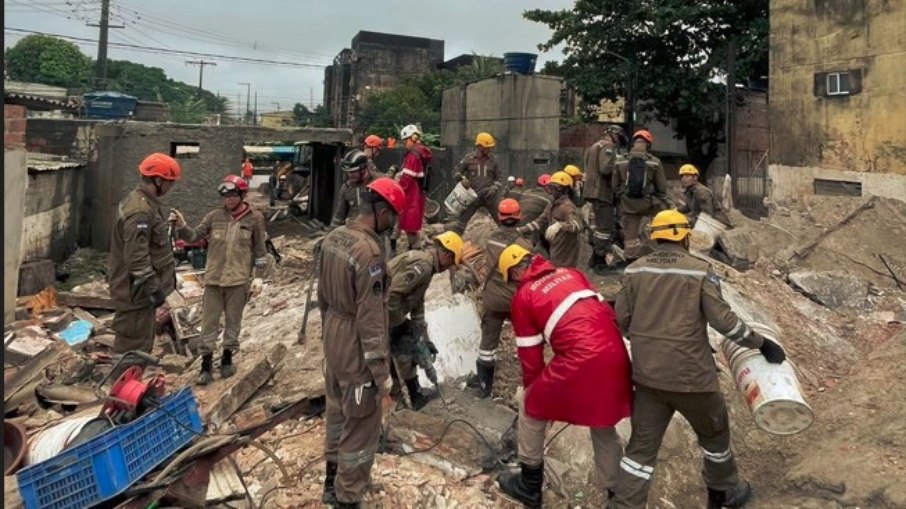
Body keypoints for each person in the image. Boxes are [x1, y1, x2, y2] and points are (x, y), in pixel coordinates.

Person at [608, 210, 787, 509]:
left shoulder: (634, 270)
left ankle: (624, 504)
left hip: (648, 378)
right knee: (715, 438)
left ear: (656, 236)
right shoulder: (698, 270)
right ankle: (724, 493)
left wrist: (647, 343)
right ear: (684, 236)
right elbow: (724, 322)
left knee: (640, 450)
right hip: (693, 380)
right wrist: (761, 344)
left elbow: (622, 319)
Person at [497, 245, 633, 509]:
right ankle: (617, 495)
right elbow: (604, 311)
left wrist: (536, 397)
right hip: (614, 351)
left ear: (515, 272)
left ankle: (529, 485)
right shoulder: (572, 273)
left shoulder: (524, 296)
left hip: (581, 357)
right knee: (602, 420)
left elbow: (531, 358)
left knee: (530, 407)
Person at [318, 177, 405, 509]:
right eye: (392, 216)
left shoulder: (333, 238)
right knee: (362, 422)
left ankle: (331, 481)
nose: (393, 224)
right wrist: (380, 371)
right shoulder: (369, 253)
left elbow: (322, 295)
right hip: (355, 342)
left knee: (337, 410)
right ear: (381, 212)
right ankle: (348, 497)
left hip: (333, 334)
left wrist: (328, 335)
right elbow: (371, 318)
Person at [168, 175, 267, 385]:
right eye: (225, 197)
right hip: (213, 280)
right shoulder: (214, 216)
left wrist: (259, 278)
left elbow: (260, 250)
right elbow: (193, 237)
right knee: (208, 324)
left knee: (233, 323)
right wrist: (182, 225)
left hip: (238, 281)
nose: (228, 200)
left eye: (232, 196)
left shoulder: (254, 219)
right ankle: (205, 365)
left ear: (241, 195)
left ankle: (227, 360)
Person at [108, 153, 181, 360]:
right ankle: (122, 391)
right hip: (135, 295)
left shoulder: (144, 203)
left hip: (138, 295)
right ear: (158, 180)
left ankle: (130, 387)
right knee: (132, 351)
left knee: (139, 348)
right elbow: (137, 259)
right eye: (169, 183)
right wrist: (154, 290)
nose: (170, 187)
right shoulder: (139, 211)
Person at [387, 231, 463, 410]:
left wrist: (425, 338)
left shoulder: (427, 265)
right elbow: (392, 296)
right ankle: (408, 396)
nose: (449, 267)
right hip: (380, 312)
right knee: (404, 348)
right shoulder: (424, 266)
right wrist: (400, 324)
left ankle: (407, 393)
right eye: (451, 262)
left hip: (388, 313)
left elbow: (416, 303)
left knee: (408, 344)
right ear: (445, 255)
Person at [466, 199, 532, 398]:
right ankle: (531, 382)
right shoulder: (524, 244)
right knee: (526, 339)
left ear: (500, 217)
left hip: (493, 298)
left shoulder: (491, 238)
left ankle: (484, 386)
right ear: (519, 216)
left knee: (488, 341)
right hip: (516, 300)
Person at [612, 129, 670, 264]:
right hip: (647, 203)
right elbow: (661, 186)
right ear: (648, 144)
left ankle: (631, 261)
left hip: (627, 203)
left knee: (630, 234)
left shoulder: (620, 161)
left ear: (634, 143)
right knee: (653, 228)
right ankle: (654, 257)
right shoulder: (654, 162)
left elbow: (614, 184)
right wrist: (661, 198)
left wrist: (621, 194)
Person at [517, 171, 583, 268]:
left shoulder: (567, 206)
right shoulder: (552, 204)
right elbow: (540, 222)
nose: (553, 190)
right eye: (552, 187)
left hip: (566, 251)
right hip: (556, 247)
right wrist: (520, 230)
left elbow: (578, 225)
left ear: (566, 190)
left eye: (557, 187)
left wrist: (560, 225)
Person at [584, 125, 624, 273]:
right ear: (614, 135)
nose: (619, 141)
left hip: (593, 193)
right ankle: (600, 263)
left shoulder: (594, 146)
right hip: (603, 193)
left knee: (598, 227)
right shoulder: (608, 147)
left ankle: (594, 259)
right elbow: (606, 168)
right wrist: (619, 163)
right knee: (604, 229)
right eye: (619, 137)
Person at [449, 132, 501, 235]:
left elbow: (499, 178)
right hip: (473, 196)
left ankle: (506, 243)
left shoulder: (493, 161)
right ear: (479, 146)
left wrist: (494, 188)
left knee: (501, 222)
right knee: (461, 223)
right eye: (487, 147)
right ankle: (454, 241)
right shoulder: (468, 159)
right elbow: (455, 172)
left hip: (489, 197)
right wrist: (462, 178)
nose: (489, 149)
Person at [398, 124, 431, 251]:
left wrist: (397, 191)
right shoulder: (422, 153)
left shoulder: (413, 156)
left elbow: (406, 179)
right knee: (412, 225)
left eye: (405, 141)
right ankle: (415, 246)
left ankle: (415, 248)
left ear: (412, 138)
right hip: (417, 193)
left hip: (411, 195)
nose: (404, 144)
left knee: (409, 225)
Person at [330, 149, 383, 228]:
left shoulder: (381, 183)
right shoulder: (347, 187)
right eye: (347, 172)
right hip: (354, 232)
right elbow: (339, 216)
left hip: (375, 234)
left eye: (352, 172)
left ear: (363, 169)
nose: (349, 175)